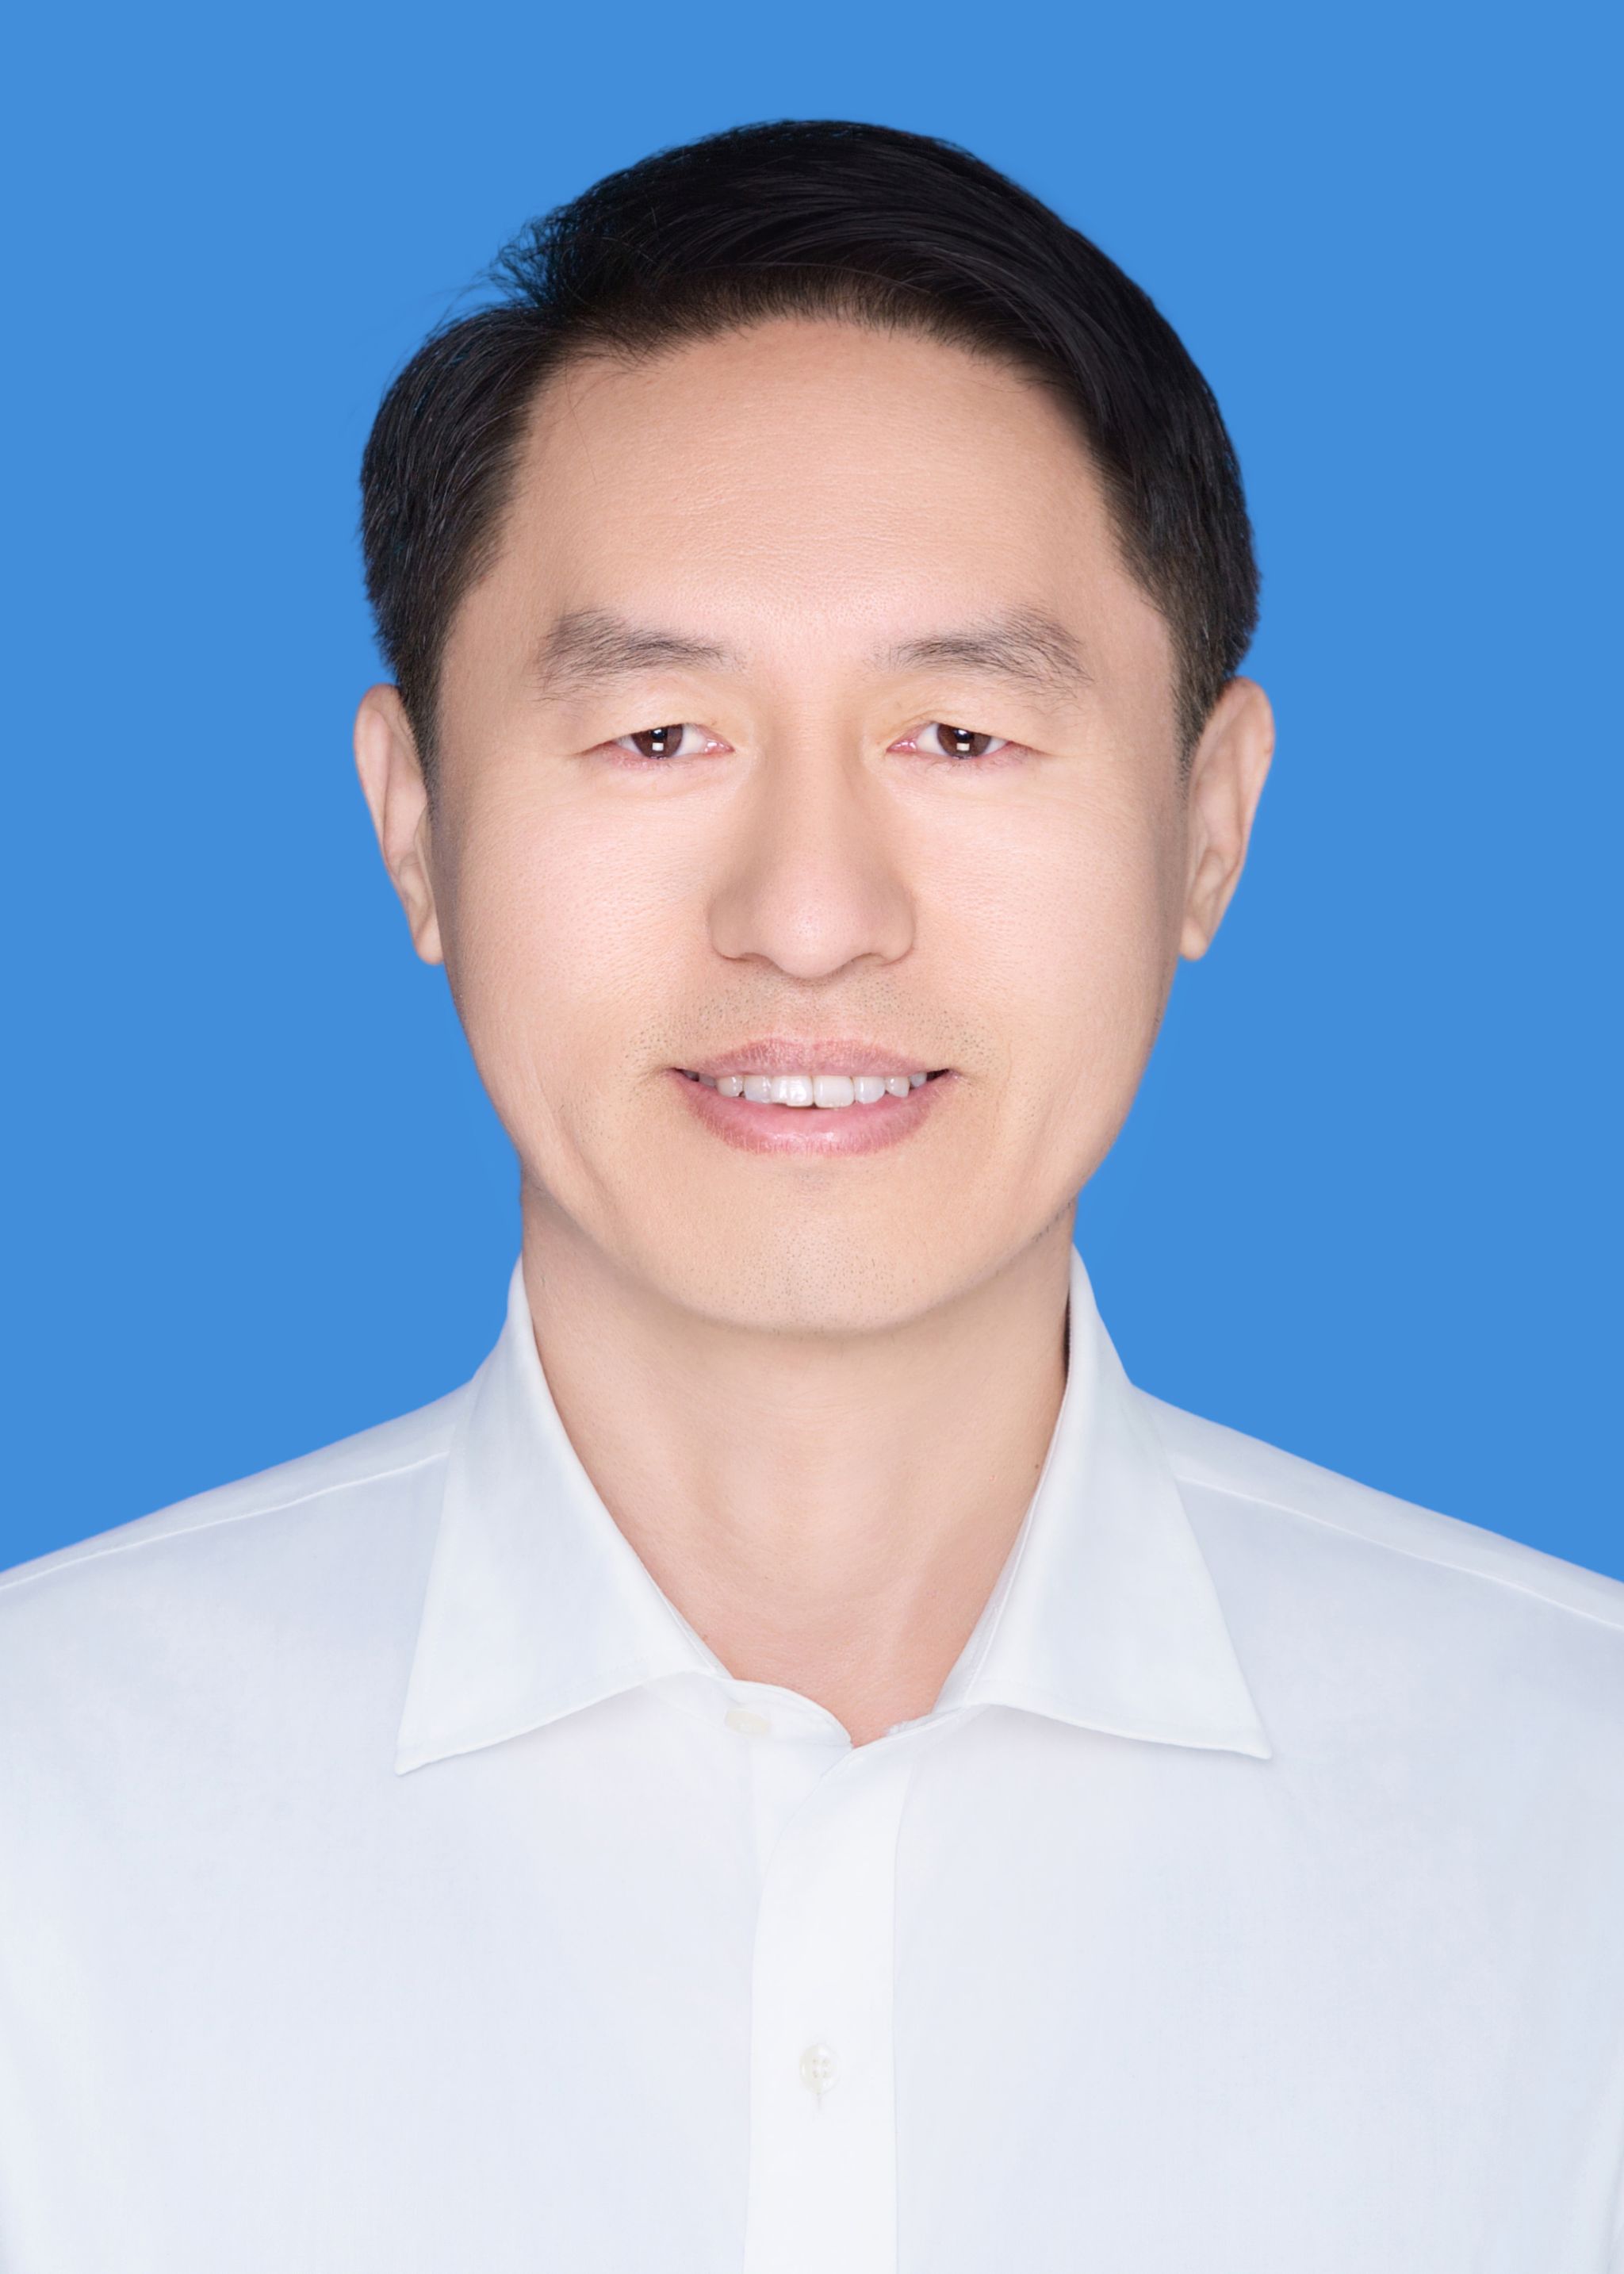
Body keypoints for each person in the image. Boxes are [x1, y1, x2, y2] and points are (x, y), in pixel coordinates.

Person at [2, 119, 1620, 2274]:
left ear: (1211, 824)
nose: (812, 913)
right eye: (659, 736)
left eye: (960, 737)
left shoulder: (1577, 1817)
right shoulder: (44, 1814)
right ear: (413, 825)